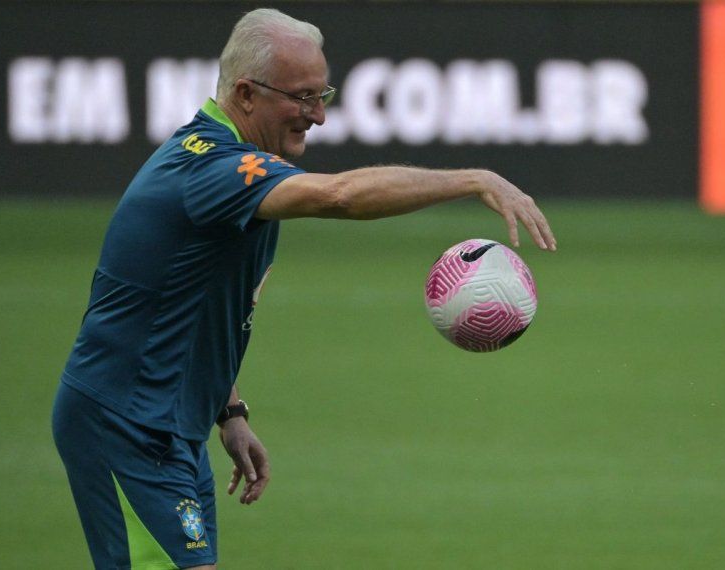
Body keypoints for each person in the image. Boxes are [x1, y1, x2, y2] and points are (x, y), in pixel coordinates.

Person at [52, 7, 557, 570]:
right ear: (246, 93)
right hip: (127, 424)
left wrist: (230, 410)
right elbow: (338, 195)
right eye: (302, 97)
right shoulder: (212, 172)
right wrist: (472, 179)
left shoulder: (218, 163)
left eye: (324, 94)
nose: (318, 115)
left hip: (169, 422)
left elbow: (190, 307)